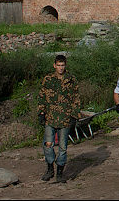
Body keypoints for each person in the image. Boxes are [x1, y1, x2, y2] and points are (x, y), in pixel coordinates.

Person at [37, 54, 81, 183]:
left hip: (65, 118)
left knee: (63, 147)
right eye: (58, 65)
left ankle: (60, 172)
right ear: (54, 65)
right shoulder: (48, 79)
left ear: (65, 65)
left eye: (63, 65)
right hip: (50, 118)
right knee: (48, 145)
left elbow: (76, 99)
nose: (61, 68)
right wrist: (41, 113)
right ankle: (50, 168)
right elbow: (42, 96)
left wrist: (75, 116)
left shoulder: (71, 79)